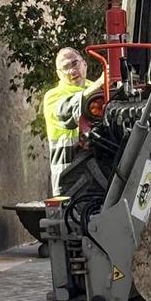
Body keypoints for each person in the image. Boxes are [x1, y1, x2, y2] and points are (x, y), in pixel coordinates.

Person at [42, 47, 102, 195]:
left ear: (84, 64)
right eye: (65, 68)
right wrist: (99, 85)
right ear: (58, 74)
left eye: (74, 63)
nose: (71, 71)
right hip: (68, 180)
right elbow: (68, 111)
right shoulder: (53, 97)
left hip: (98, 176)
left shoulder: (97, 89)